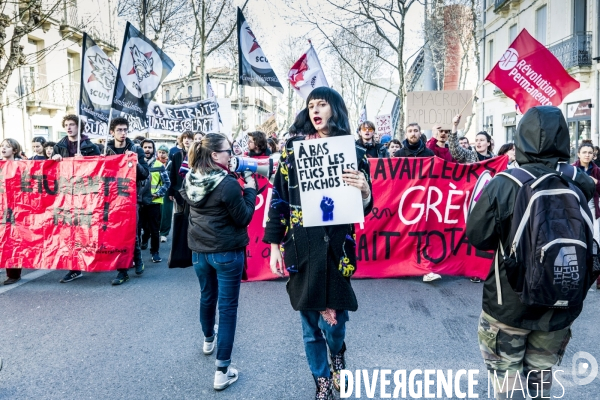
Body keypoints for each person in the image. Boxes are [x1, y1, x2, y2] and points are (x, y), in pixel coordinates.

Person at [466, 106, 595, 400]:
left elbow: (478, 237)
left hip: (508, 302)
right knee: (541, 374)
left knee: (506, 376)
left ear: (520, 137)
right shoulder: (579, 182)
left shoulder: (505, 183)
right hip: (560, 300)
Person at [264, 87, 373, 399]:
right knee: (310, 324)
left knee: (334, 325)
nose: (315, 110)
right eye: (311, 105)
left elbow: (366, 206)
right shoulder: (291, 152)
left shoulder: (355, 153)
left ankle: (337, 353)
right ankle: (322, 381)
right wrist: (274, 246)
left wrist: (364, 189)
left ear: (334, 109)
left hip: (338, 249)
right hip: (302, 245)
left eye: (321, 104)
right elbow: (278, 200)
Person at [180, 133, 257, 391]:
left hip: (199, 251)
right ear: (215, 155)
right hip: (226, 252)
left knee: (206, 297)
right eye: (228, 150)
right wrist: (251, 189)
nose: (231, 155)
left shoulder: (191, 177)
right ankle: (222, 372)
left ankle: (208, 340)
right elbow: (244, 217)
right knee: (227, 309)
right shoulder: (227, 184)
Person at [52, 115, 101, 283]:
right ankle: (74, 268)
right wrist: (55, 160)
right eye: (66, 125)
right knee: (68, 232)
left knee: (85, 230)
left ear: (79, 127)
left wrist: (85, 161)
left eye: (72, 124)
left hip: (85, 195)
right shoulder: (59, 146)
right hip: (66, 195)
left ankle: (91, 260)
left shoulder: (90, 146)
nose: (68, 127)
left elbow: (99, 168)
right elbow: (51, 171)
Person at [393, 124, 442, 283]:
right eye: (410, 131)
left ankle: (424, 267)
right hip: (405, 201)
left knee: (422, 235)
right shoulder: (399, 154)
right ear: (406, 134)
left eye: (415, 131)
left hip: (423, 201)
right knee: (406, 234)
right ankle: (405, 265)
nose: (413, 134)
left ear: (420, 133)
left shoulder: (429, 154)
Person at [105, 117, 150, 285]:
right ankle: (122, 270)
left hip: (131, 198)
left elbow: (145, 173)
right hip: (110, 198)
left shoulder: (135, 149)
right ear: (112, 132)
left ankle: (136, 259)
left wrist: (135, 162)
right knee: (116, 234)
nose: (123, 133)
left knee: (131, 232)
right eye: (119, 130)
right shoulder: (105, 150)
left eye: (125, 130)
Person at [573, 141, 600, 291]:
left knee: (594, 241)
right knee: (578, 240)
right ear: (579, 154)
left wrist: (596, 183)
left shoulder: (597, 170)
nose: (587, 155)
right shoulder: (572, 169)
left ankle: (593, 274)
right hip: (575, 208)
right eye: (584, 152)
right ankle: (578, 274)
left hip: (592, 209)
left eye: (590, 153)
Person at [139, 139, 171, 262]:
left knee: (154, 229)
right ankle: (140, 249)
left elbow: (167, 183)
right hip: (140, 202)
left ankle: (155, 252)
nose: (147, 150)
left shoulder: (159, 165)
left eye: (150, 147)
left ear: (154, 150)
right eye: (145, 147)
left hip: (154, 202)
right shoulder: (137, 165)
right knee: (140, 228)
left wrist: (157, 194)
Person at [2, 139, 23, 285]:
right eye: (2, 146)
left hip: (16, 209)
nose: (3, 149)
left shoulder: (22, 166)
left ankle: (14, 274)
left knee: (12, 241)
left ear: (14, 150)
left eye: (7, 147)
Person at [168, 131, 194, 213]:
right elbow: (172, 175)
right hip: (179, 192)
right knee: (179, 217)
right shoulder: (177, 155)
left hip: (192, 193)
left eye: (189, 138)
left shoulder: (197, 155)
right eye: (185, 138)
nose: (187, 140)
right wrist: (171, 192)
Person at [157, 144, 171, 242]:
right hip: (156, 191)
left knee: (166, 212)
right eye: (160, 152)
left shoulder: (171, 163)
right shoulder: (154, 163)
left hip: (167, 191)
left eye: (164, 152)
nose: (162, 154)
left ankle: (164, 233)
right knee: (157, 212)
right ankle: (156, 230)